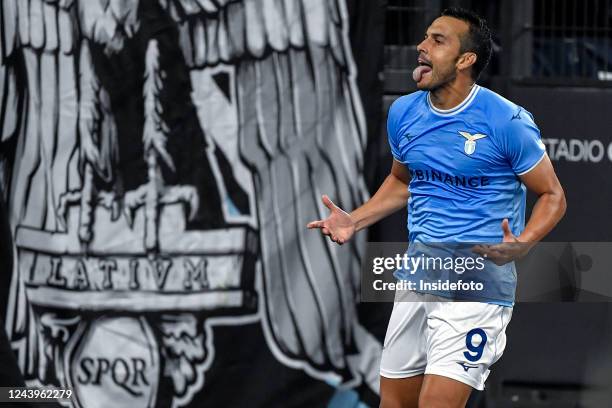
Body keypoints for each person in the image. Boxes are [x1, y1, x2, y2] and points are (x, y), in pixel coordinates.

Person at [307, 7, 566, 408]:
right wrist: (354, 220)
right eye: (426, 38)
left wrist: (525, 243)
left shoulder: (507, 121)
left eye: (437, 41)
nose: (421, 47)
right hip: (418, 275)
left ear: (466, 60)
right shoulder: (404, 113)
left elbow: (553, 195)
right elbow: (402, 180)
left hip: (477, 285)